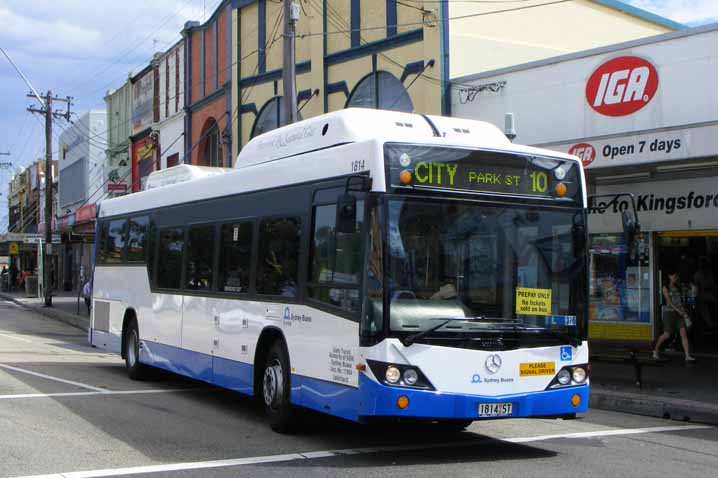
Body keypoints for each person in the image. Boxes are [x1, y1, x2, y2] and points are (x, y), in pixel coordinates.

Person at [653, 270, 695, 361]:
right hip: (669, 313)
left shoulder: (678, 287)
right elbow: (669, 302)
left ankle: (687, 355)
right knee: (667, 334)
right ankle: (655, 350)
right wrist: (679, 310)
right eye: (673, 275)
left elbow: (680, 300)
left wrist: (683, 310)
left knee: (683, 333)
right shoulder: (665, 288)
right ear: (669, 276)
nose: (675, 277)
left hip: (679, 312)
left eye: (676, 275)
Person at [694, 257, 715, 329]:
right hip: (702, 295)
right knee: (701, 305)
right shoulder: (698, 274)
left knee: (703, 304)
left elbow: (712, 285)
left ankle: (710, 323)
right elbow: (696, 287)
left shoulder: (709, 274)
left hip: (709, 294)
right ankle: (709, 323)